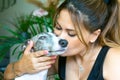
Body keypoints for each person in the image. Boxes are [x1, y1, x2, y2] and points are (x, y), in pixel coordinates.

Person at [4, 0, 120, 80]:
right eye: (58, 28)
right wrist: (20, 67)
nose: (60, 38)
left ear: (94, 35)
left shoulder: (114, 60)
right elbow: (7, 75)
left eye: (71, 33)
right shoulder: (58, 57)